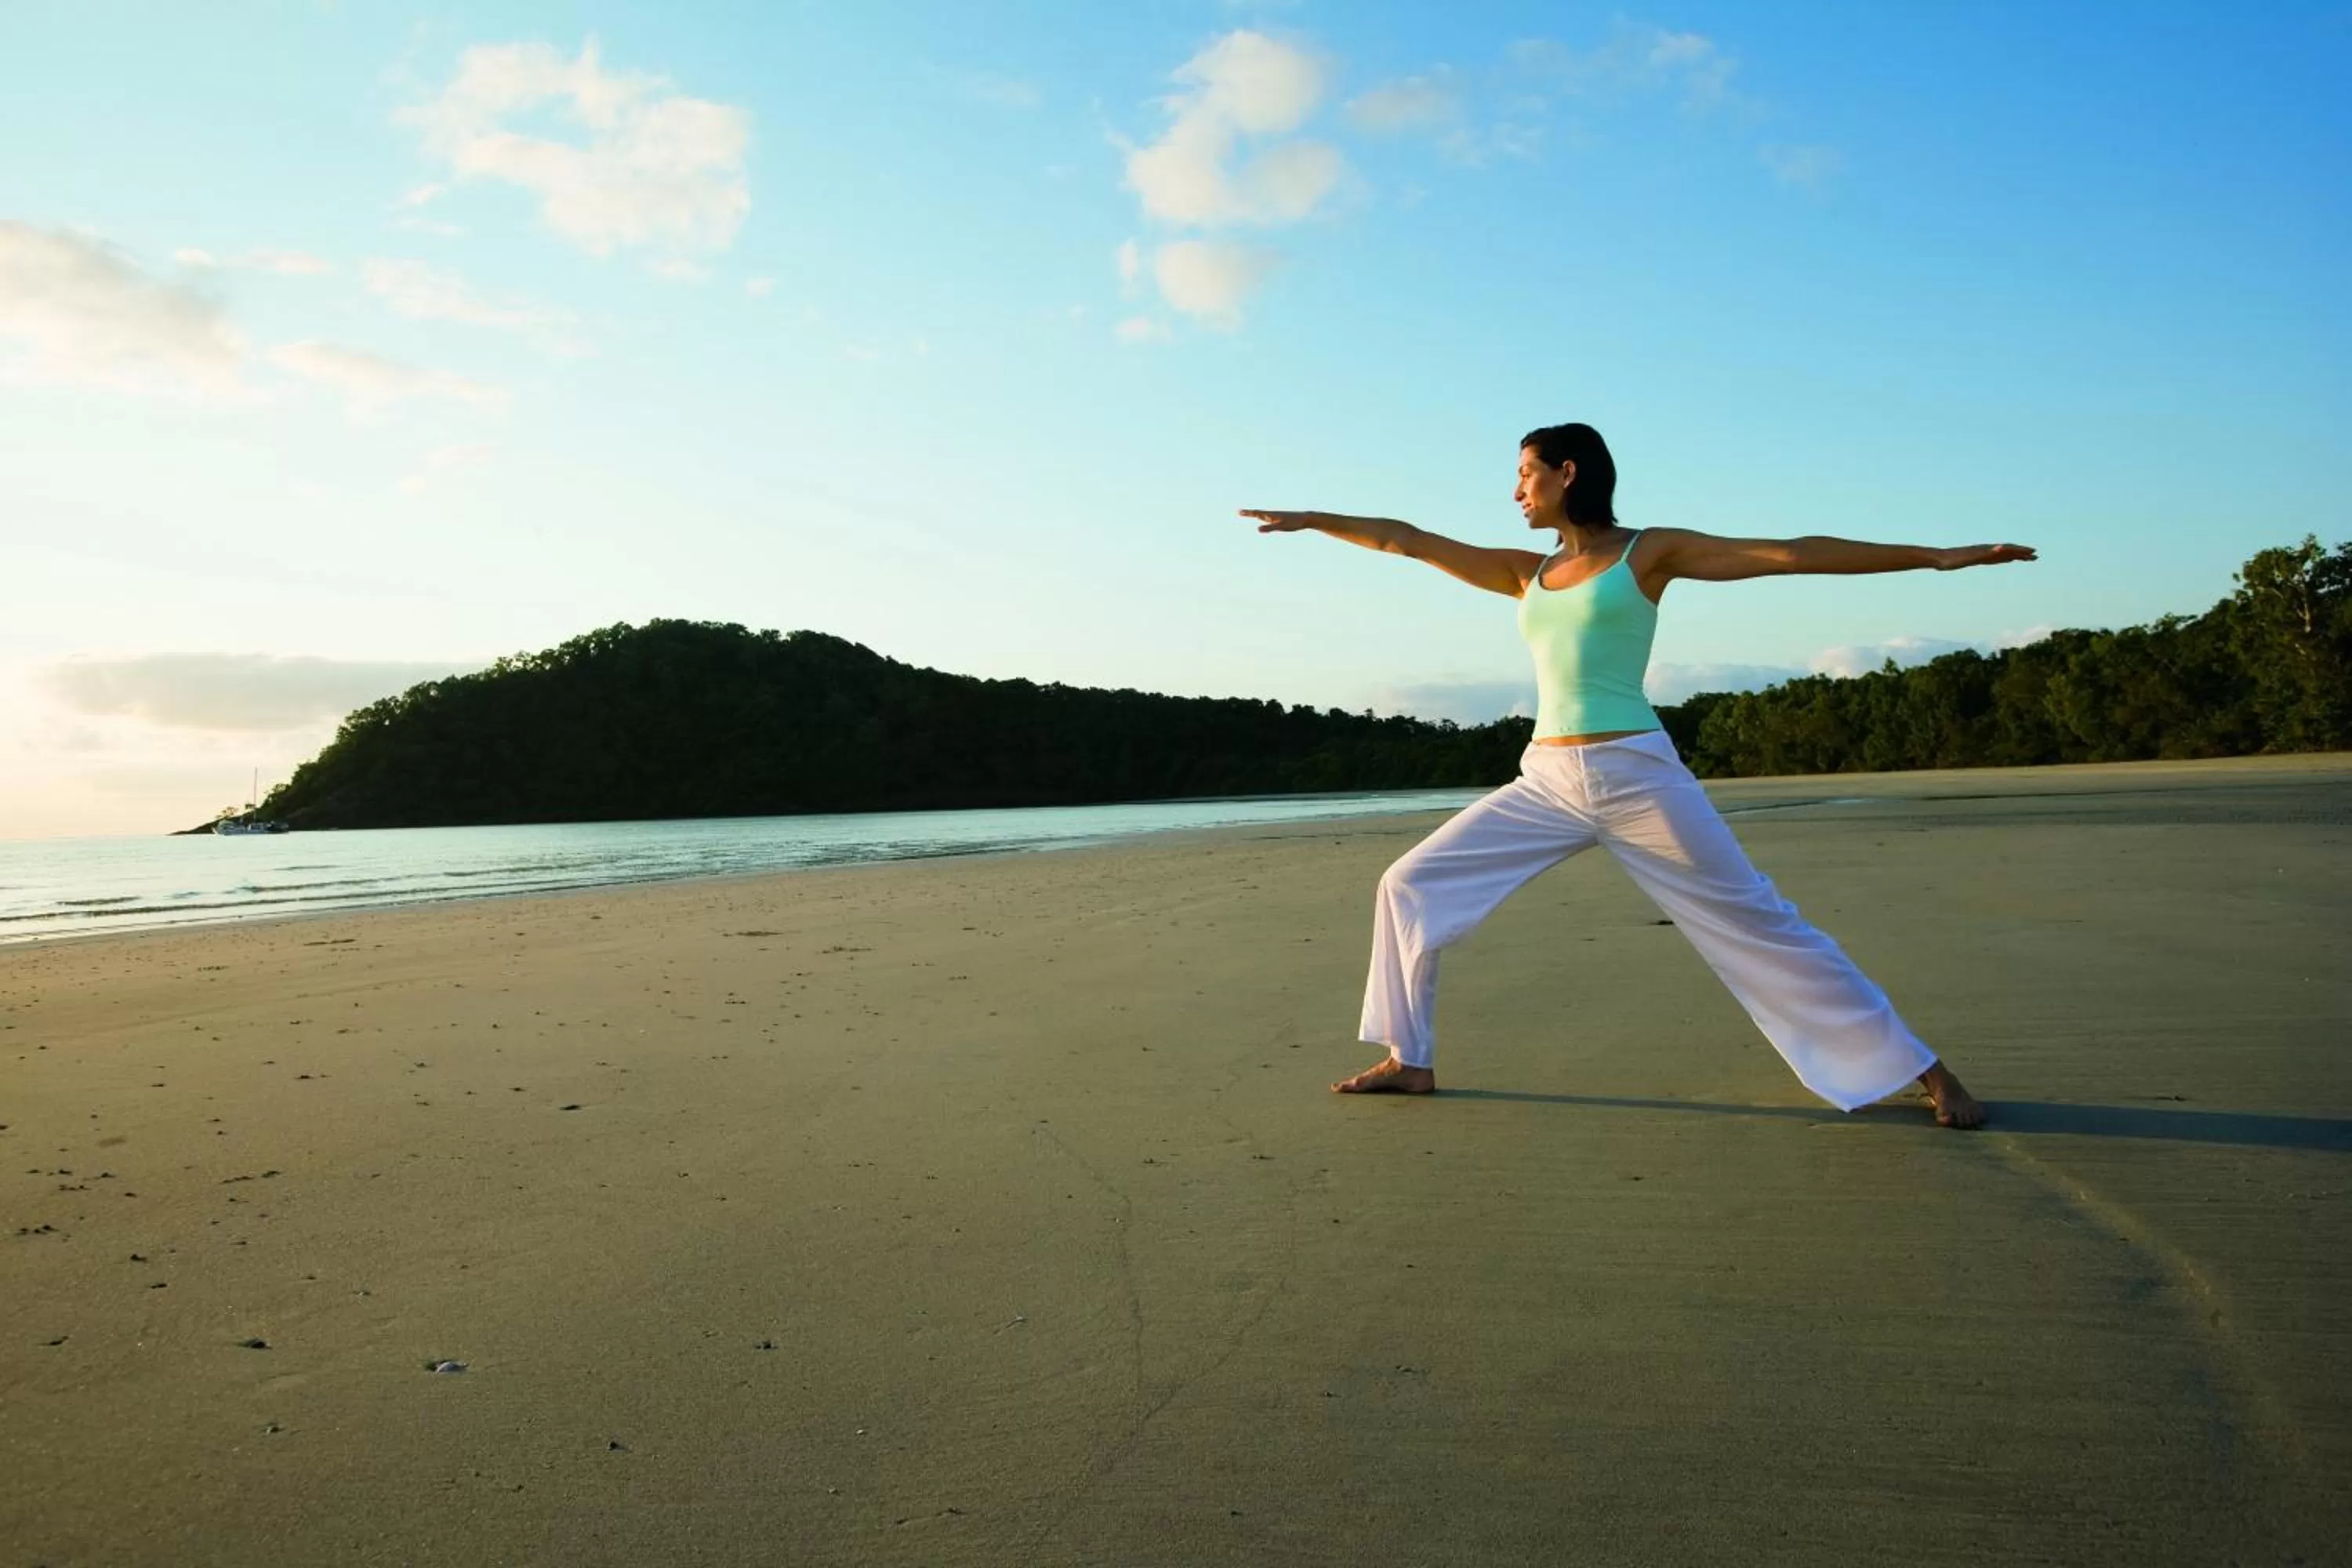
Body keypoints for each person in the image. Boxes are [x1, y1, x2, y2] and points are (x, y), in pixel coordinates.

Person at [1243, 422, 2034, 1128]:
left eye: (1526, 472)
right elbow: (1407, 540)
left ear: (1569, 471)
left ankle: (1923, 1067)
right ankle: (1409, 1058)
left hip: (1636, 775)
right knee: (1408, 884)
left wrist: (1937, 558)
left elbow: (1788, 554)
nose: (1515, 489)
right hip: (1548, 778)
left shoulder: (1645, 553)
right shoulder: (1527, 574)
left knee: (1760, 923)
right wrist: (1316, 521)